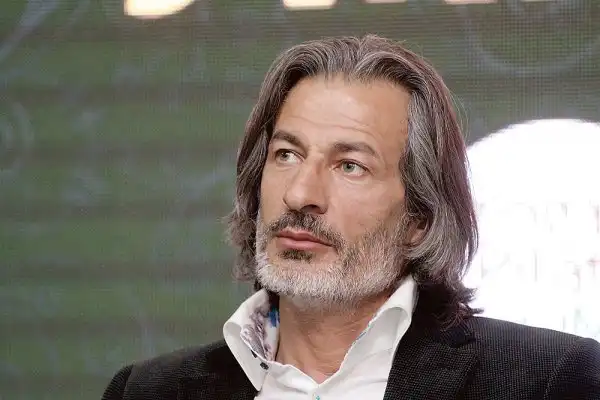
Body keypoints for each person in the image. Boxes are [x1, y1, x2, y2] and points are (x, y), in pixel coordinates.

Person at [102, 35, 600, 400]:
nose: (300, 193)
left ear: (420, 218)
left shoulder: (551, 381)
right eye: (286, 155)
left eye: (349, 166)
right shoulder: (147, 391)